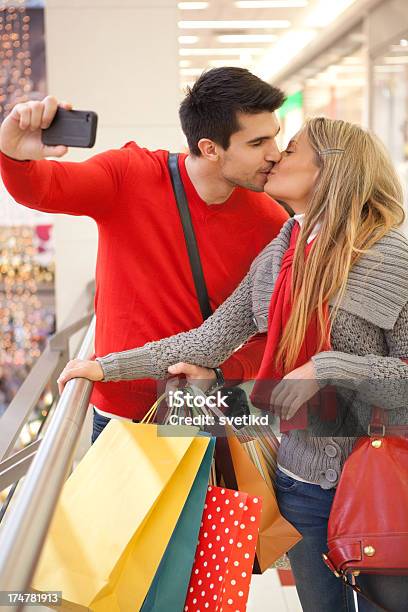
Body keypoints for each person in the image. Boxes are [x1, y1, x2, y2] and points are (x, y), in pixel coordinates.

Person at [58, 117, 408, 612]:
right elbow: (210, 338)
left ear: (329, 168)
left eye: (289, 150)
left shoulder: (390, 256)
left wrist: (329, 367)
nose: (274, 158)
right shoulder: (284, 250)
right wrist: (106, 367)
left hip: (379, 475)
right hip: (299, 476)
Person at [0, 67, 289, 441]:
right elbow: (45, 188)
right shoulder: (130, 174)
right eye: (257, 143)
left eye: (275, 138)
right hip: (120, 417)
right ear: (210, 148)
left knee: (205, 502)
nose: (274, 155)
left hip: (198, 416)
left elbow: (277, 328)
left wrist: (223, 372)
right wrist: (13, 153)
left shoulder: (269, 221)